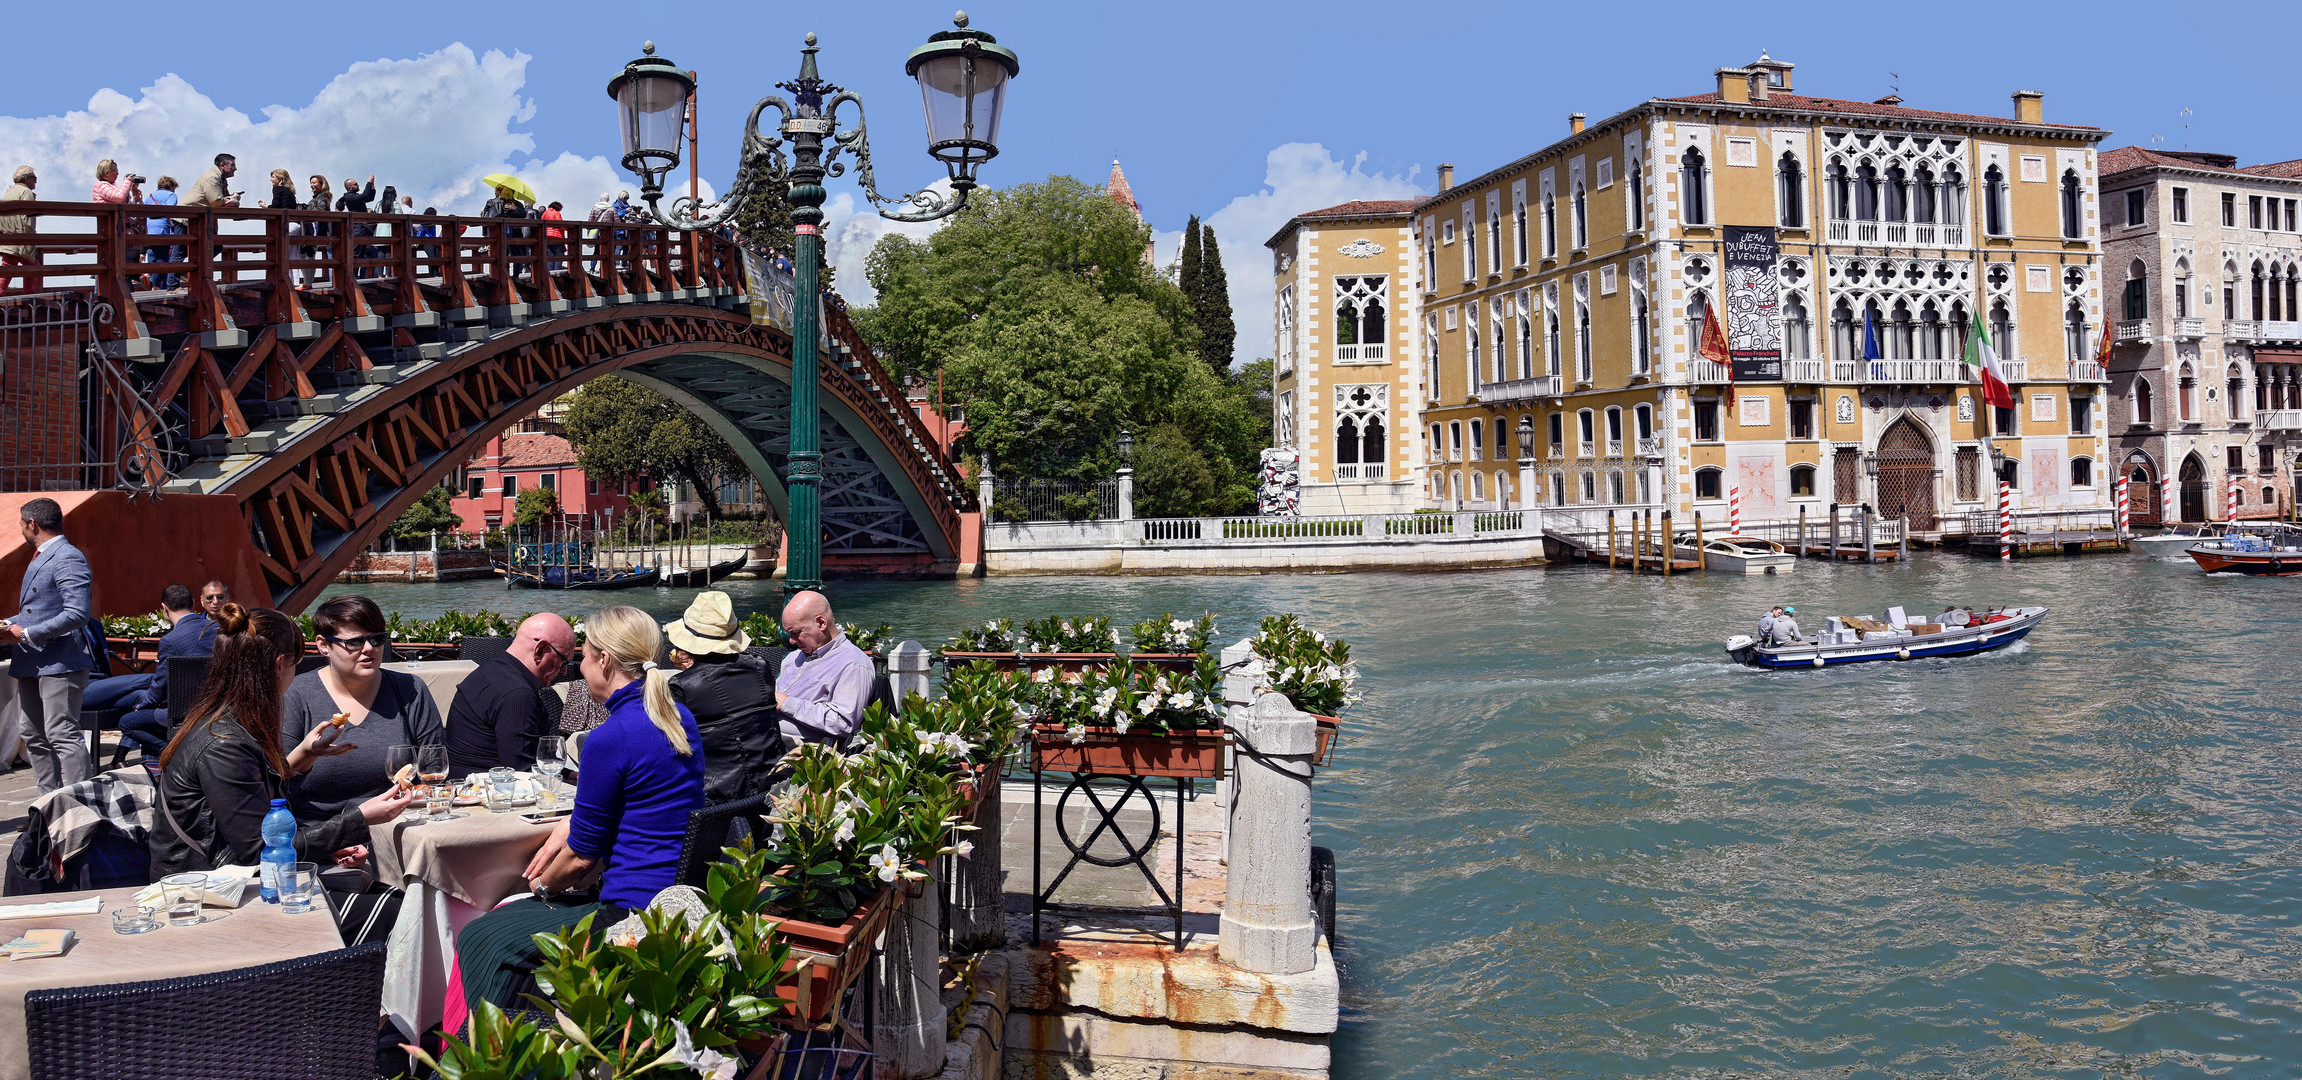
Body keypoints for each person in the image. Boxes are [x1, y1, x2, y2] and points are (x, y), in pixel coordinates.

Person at [453, 605, 703, 1016]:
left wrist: (534, 891)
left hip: (628, 911)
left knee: (481, 935)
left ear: (604, 660)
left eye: (584, 657)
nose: (580, 670)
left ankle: (495, 1052)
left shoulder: (611, 737)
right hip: (673, 901)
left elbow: (579, 859)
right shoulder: (679, 717)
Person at [147, 603, 418, 939]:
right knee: (407, 914)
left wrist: (304, 756)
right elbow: (258, 851)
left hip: (238, 881)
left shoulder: (226, 723)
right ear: (280, 664)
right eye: (296, 663)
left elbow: (259, 812)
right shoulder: (225, 743)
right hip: (209, 897)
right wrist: (358, 819)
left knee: (397, 900)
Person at [277, 595, 444, 825]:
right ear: (324, 645)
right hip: (321, 835)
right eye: (354, 642)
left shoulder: (410, 690)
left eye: (377, 639)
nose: (369, 649)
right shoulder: (295, 696)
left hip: (401, 826)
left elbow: (433, 769)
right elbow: (277, 786)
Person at [0, 499, 95, 793]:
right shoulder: (44, 555)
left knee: (62, 732)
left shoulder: (67, 556)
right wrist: (8, 624)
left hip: (60, 662)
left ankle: (84, 808)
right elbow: (39, 611)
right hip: (34, 661)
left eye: (21, 524)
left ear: (32, 524)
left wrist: (27, 633)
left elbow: (77, 613)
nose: (21, 530)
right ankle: (49, 806)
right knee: (33, 734)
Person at [665, 591, 784, 802]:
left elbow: (669, 750)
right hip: (771, 791)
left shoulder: (682, 686)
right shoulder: (760, 666)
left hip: (714, 801)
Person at [444, 613, 574, 774]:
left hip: (466, 785)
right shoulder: (517, 694)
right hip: (489, 792)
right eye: (563, 662)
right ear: (540, 650)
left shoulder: (491, 670)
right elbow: (522, 772)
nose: (564, 672)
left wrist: (569, 774)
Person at [112, 584, 216, 763]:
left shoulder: (171, 640)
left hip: (183, 712)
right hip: (216, 706)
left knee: (127, 723)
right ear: (192, 602)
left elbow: (160, 687)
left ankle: (176, 754)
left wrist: (141, 705)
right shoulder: (217, 629)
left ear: (164, 609)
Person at [775, 591, 869, 745]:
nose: (791, 641)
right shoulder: (793, 658)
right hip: (764, 735)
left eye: (796, 632)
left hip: (801, 751)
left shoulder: (852, 663)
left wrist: (787, 703)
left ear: (821, 623)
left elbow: (842, 723)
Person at [2, 166, 40, 295]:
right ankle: (29, 296)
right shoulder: (26, 193)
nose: (36, 181)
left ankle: (29, 295)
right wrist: (30, 239)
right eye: (34, 178)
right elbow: (28, 219)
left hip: (7, 237)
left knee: (9, 267)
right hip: (20, 240)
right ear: (26, 178)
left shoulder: (9, 192)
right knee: (31, 267)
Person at [145, 176, 183, 289]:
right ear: (170, 186)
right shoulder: (171, 195)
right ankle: (155, 285)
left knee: (153, 257)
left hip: (150, 231)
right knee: (163, 259)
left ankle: (150, 278)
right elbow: (171, 212)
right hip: (163, 230)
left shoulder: (149, 197)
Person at [541, 200, 566, 272]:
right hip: (556, 236)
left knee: (550, 255)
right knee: (559, 255)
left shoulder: (545, 213)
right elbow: (559, 224)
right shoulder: (556, 213)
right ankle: (557, 271)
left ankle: (550, 271)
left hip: (546, 236)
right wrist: (567, 227)